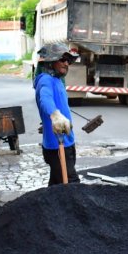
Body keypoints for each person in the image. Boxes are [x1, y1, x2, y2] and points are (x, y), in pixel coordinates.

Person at [34, 43, 80, 186]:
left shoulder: (57, 80)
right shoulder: (45, 80)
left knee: (56, 185)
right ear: (50, 61)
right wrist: (55, 115)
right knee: (71, 184)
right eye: (62, 59)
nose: (66, 63)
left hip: (65, 141)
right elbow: (45, 99)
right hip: (58, 145)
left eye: (68, 60)